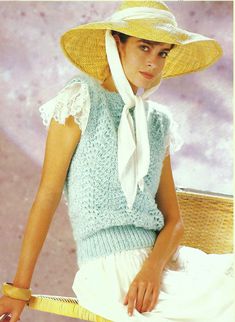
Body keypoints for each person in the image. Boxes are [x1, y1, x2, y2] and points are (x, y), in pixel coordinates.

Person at [0, 1, 234, 322]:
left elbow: (174, 222)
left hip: (164, 265)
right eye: (144, 47)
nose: (153, 61)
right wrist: (19, 290)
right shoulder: (82, 100)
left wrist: (152, 268)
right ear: (116, 43)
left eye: (162, 53)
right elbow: (48, 194)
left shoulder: (158, 122)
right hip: (112, 274)